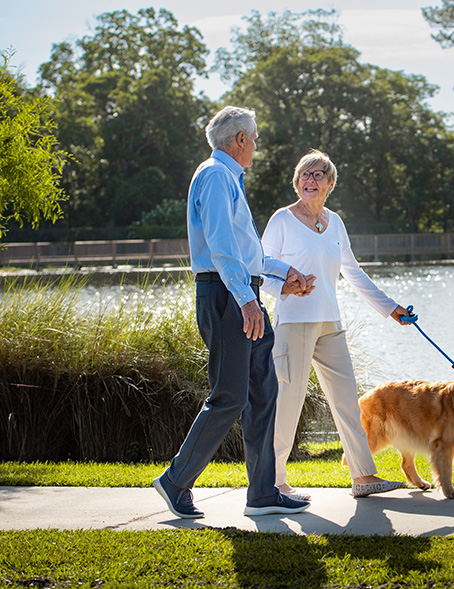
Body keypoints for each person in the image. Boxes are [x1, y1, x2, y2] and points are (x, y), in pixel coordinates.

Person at [153, 106, 316, 519]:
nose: (256, 145)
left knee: (263, 392)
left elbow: (248, 253)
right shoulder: (214, 175)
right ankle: (175, 480)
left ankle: (262, 494)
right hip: (228, 298)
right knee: (229, 396)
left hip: (242, 293)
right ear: (239, 139)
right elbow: (222, 247)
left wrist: (284, 273)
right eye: (255, 137)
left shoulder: (227, 178)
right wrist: (246, 300)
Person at [260, 149, 411, 498]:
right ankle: (274, 482)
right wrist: (281, 287)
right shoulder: (282, 220)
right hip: (293, 323)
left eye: (317, 175)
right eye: (304, 175)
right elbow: (260, 266)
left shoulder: (335, 222)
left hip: (330, 322)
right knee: (289, 401)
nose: (309, 181)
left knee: (346, 400)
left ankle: (362, 477)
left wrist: (389, 308)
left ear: (330, 184)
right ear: (297, 181)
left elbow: (353, 273)